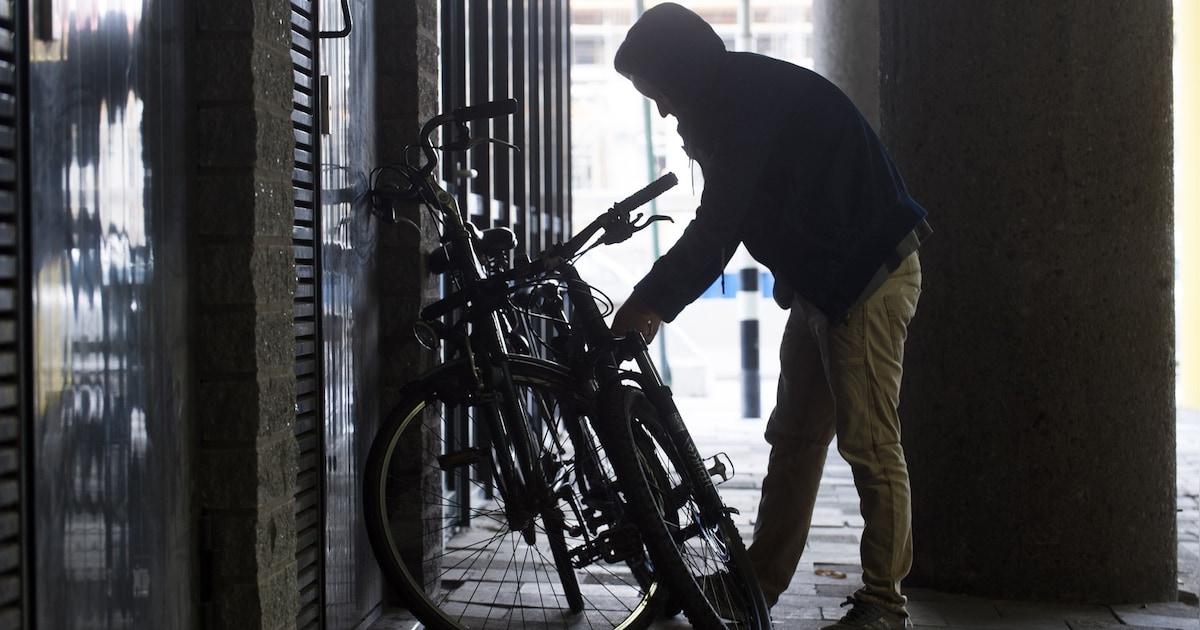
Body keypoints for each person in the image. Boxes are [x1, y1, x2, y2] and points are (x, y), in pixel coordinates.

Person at [609, 4, 930, 629]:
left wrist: (647, 304)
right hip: (825, 284)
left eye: (660, 93)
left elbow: (717, 229)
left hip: (867, 280)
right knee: (795, 439)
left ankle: (885, 606)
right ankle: (756, 586)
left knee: (869, 445)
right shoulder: (730, 95)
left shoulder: (737, 104)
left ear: (680, 71)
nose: (664, 111)